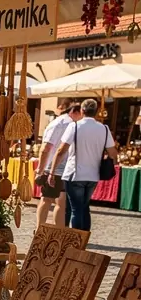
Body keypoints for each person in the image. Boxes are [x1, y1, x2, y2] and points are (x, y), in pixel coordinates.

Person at [50, 97, 117, 231]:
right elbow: (113, 153)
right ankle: (83, 237)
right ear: (96, 111)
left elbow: (61, 150)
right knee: (84, 207)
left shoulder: (74, 126)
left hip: (75, 173)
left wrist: (52, 171)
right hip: (93, 175)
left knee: (76, 208)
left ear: (82, 110)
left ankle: (76, 240)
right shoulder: (104, 128)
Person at [36, 99, 80, 231]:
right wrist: (41, 169)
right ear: (74, 112)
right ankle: (42, 229)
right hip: (53, 168)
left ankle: (50, 230)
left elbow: (46, 148)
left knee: (56, 202)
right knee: (50, 200)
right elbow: (46, 148)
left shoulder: (65, 123)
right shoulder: (61, 124)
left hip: (60, 168)